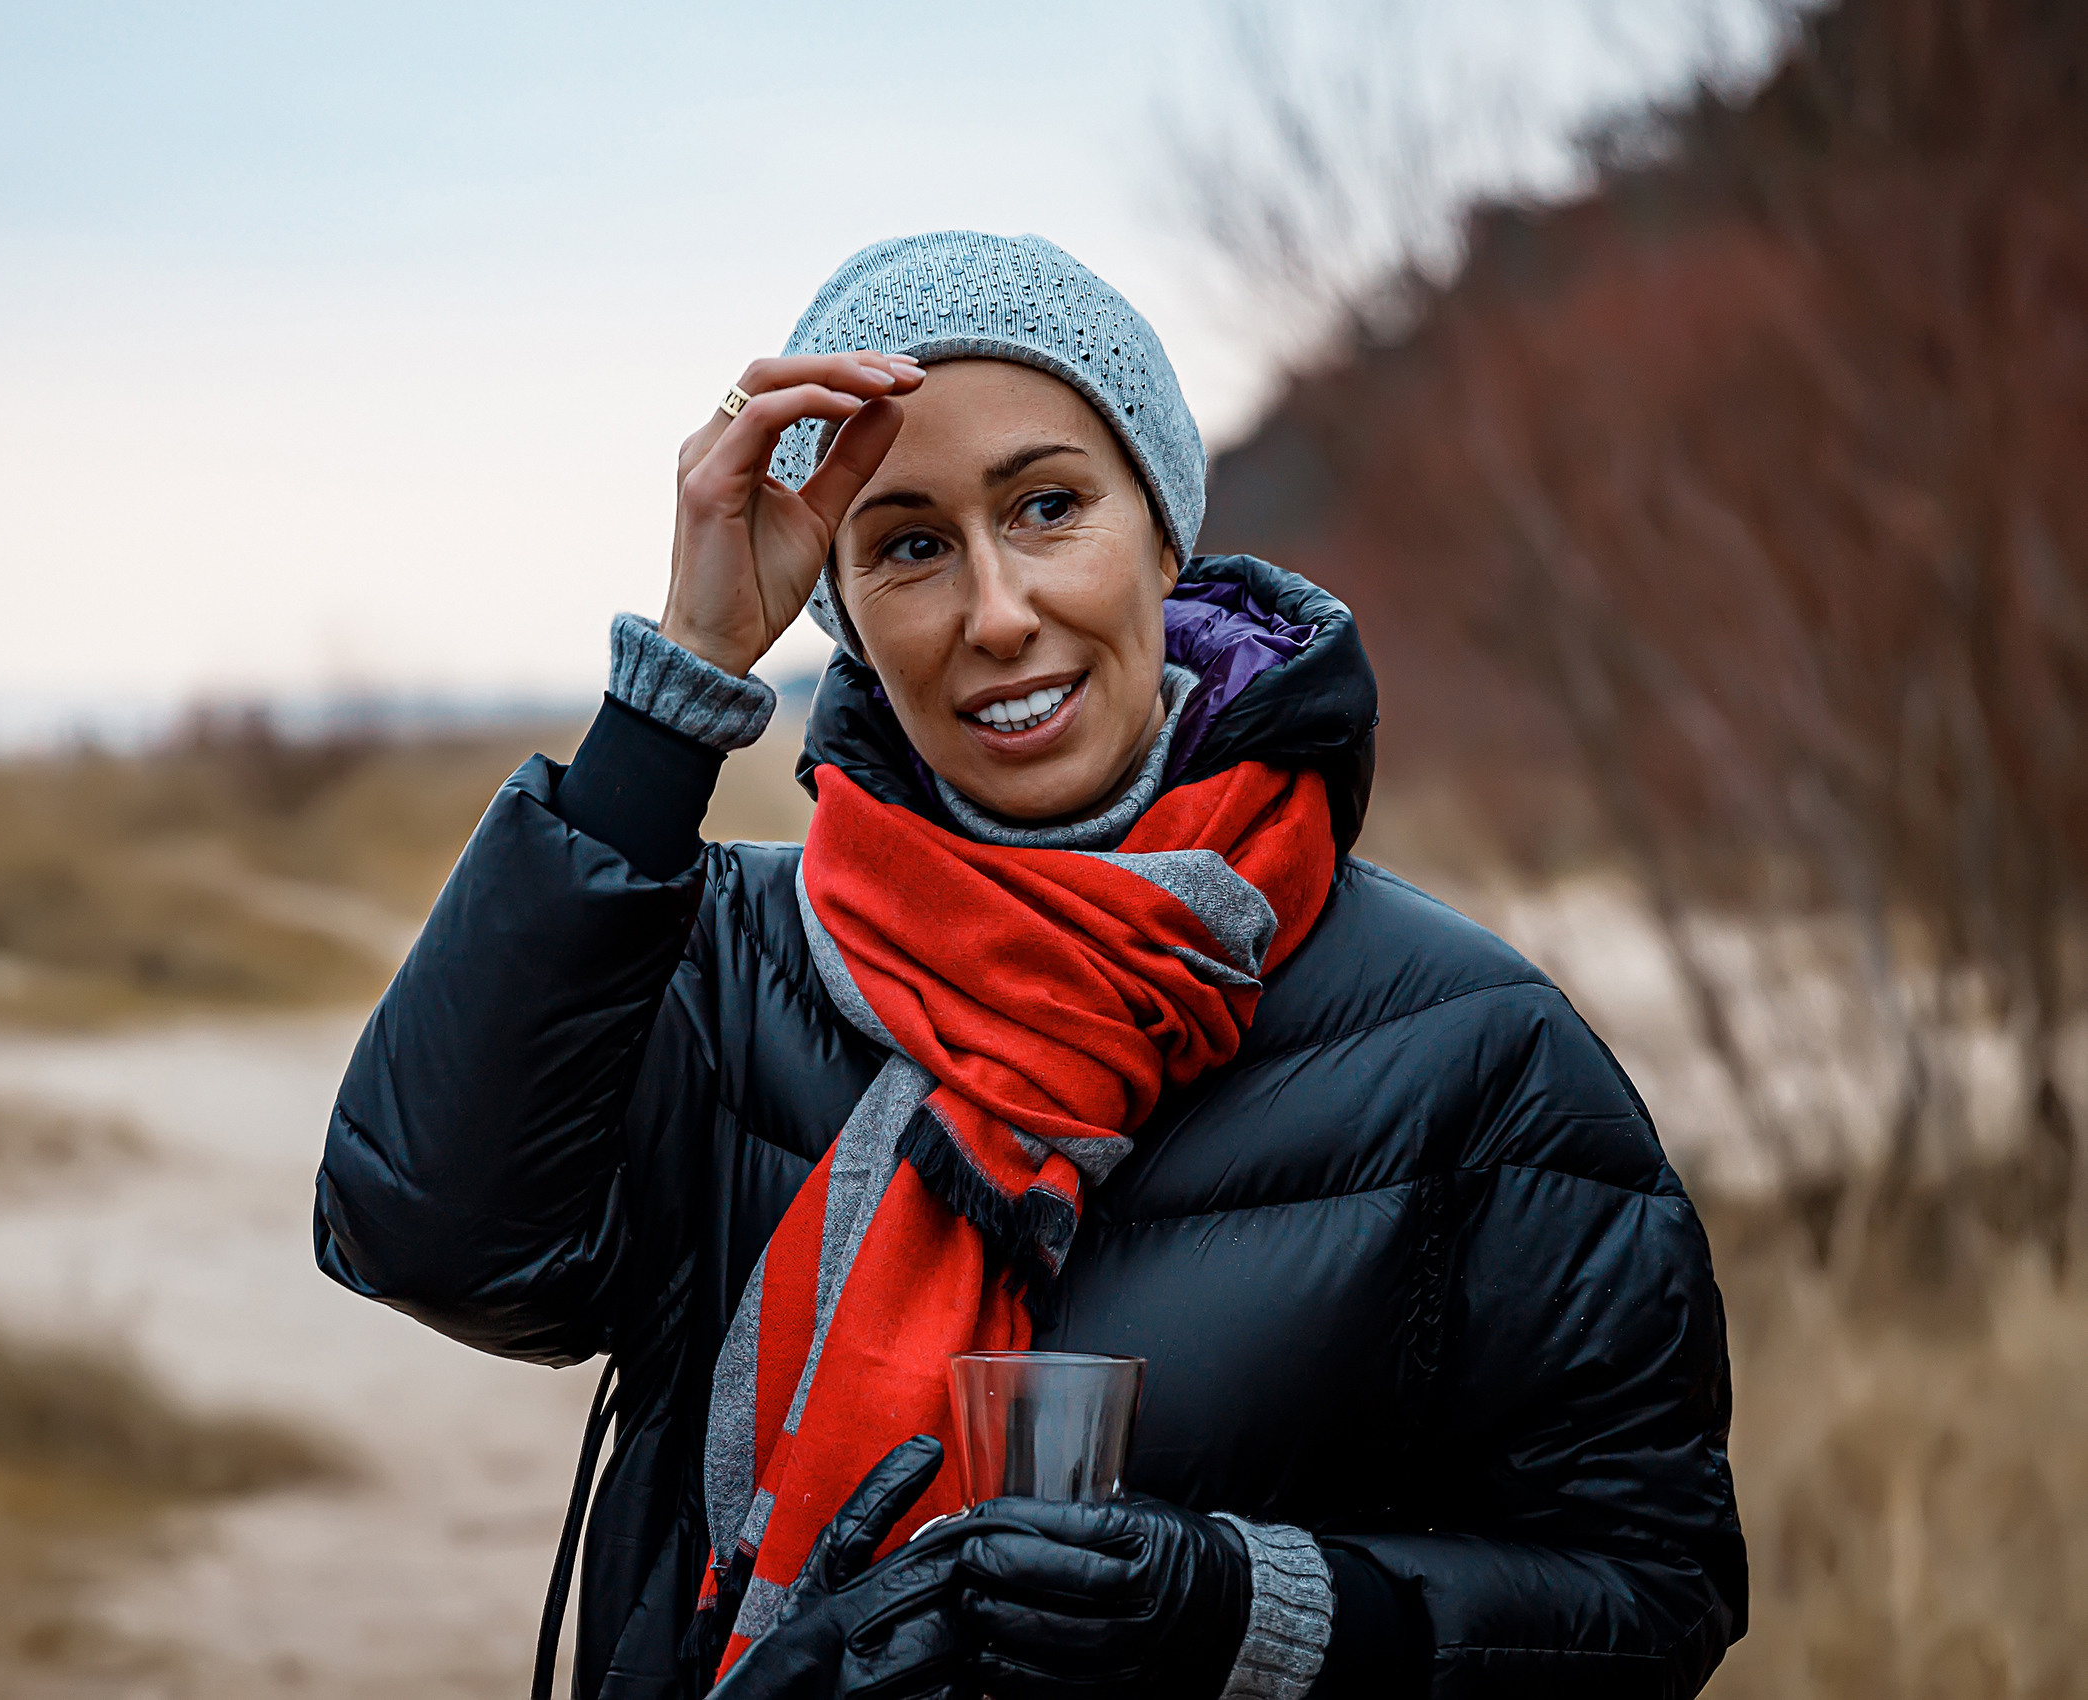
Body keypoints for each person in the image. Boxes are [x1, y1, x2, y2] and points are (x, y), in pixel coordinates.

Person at [314, 231, 1746, 1699]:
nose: (996, 615)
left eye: (1049, 506)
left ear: (1164, 532)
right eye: (908, 545)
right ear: (844, 614)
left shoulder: (1471, 1047)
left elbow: (1648, 1593)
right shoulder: (730, 967)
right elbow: (429, 1238)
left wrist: (1241, 1613)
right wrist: (678, 686)